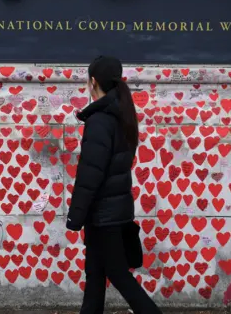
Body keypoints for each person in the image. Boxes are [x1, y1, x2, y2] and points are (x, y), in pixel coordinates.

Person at [66, 56, 163, 314]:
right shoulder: (121, 115)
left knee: (119, 276)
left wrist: (75, 217)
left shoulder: (100, 121)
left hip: (103, 215)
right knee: (95, 276)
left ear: (93, 81)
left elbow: (90, 175)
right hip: (112, 213)